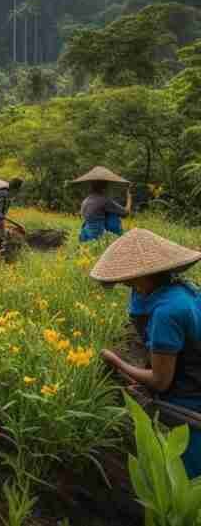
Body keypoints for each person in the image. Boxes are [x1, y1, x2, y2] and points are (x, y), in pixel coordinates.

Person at [93, 229, 201, 477]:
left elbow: (160, 382)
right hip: (192, 376)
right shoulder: (184, 290)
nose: (124, 283)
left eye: (129, 279)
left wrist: (117, 363)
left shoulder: (167, 312)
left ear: (144, 276)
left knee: (187, 483)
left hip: (190, 403)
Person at [73, 166, 132, 242]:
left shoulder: (86, 200)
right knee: (112, 215)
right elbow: (125, 213)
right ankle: (120, 240)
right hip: (96, 237)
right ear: (104, 187)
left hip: (84, 234)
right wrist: (129, 198)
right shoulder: (104, 200)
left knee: (108, 213)